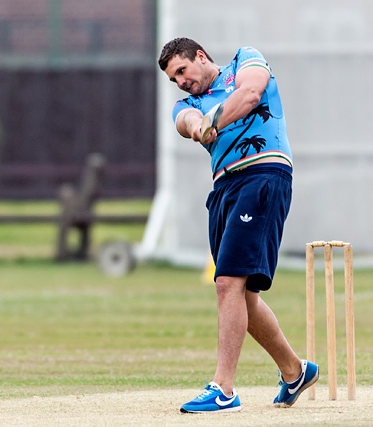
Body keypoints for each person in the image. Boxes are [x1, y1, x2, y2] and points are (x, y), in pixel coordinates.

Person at [158, 37, 318, 413]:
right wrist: (199, 125)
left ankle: (223, 389)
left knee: (227, 281)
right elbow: (188, 123)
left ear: (200, 57)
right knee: (241, 294)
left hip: (264, 173)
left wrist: (216, 119)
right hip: (224, 187)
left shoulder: (245, 60)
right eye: (173, 79)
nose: (180, 82)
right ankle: (295, 371)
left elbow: (250, 94)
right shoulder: (187, 103)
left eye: (182, 71)